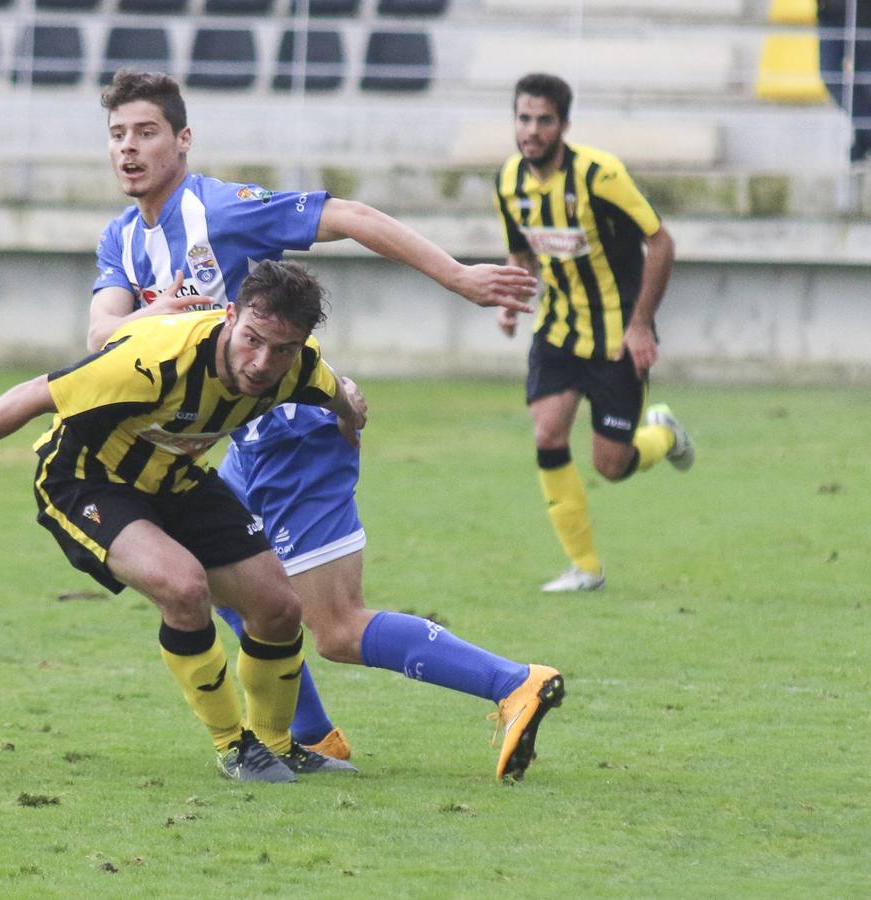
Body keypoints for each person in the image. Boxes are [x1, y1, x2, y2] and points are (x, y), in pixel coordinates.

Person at [90, 70, 564, 782]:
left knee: (336, 627)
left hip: (293, 432)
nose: (130, 148)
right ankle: (311, 734)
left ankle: (513, 683)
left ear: (182, 140)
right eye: (118, 135)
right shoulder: (124, 238)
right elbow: (101, 337)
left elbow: (350, 217)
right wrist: (169, 314)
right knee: (211, 579)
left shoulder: (216, 210)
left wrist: (459, 277)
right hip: (240, 444)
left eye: (146, 132)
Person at [0, 261, 363, 784]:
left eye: (282, 349)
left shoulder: (297, 367)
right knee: (183, 587)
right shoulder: (153, 362)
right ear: (230, 316)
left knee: (278, 608)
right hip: (86, 479)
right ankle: (235, 747)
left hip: (174, 478)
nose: (262, 362)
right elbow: (30, 394)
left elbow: (333, 391)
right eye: (252, 339)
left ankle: (279, 745)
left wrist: (350, 414)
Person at [494, 73, 694, 593]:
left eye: (543, 120)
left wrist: (641, 323)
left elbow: (662, 241)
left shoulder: (600, 176)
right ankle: (584, 568)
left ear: (563, 124)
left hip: (616, 338)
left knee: (611, 464)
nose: (531, 131)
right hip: (559, 331)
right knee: (547, 433)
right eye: (524, 118)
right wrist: (513, 299)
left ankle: (664, 434)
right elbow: (522, 250)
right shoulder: (509, 181)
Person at [818, 0, 871, 162]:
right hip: (831, 12)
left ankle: (864, 139)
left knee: (865, 77)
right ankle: (865, 136)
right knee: (831, 75)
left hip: (864, 13)